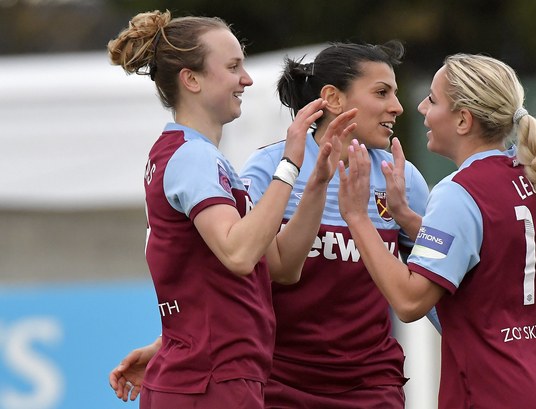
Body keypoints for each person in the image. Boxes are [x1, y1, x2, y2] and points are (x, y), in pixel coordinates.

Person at [109, 40, 430, 409]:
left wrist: (477, 349)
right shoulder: (269, 169)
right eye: (381, 92)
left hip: (371, 384)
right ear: (334, 99)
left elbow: (434, 277)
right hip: (279, 381)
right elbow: (244, 275)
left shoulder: (402, 179)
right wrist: (172, 343)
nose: (397, 106)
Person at [337, 54, 536, 408]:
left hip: (498, 394)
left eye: (432, 99)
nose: (420, 107)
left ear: (463, 120)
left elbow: (410, 301)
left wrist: (357, 217)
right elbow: (484, 254)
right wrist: (406, 216)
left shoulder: (460, 192)